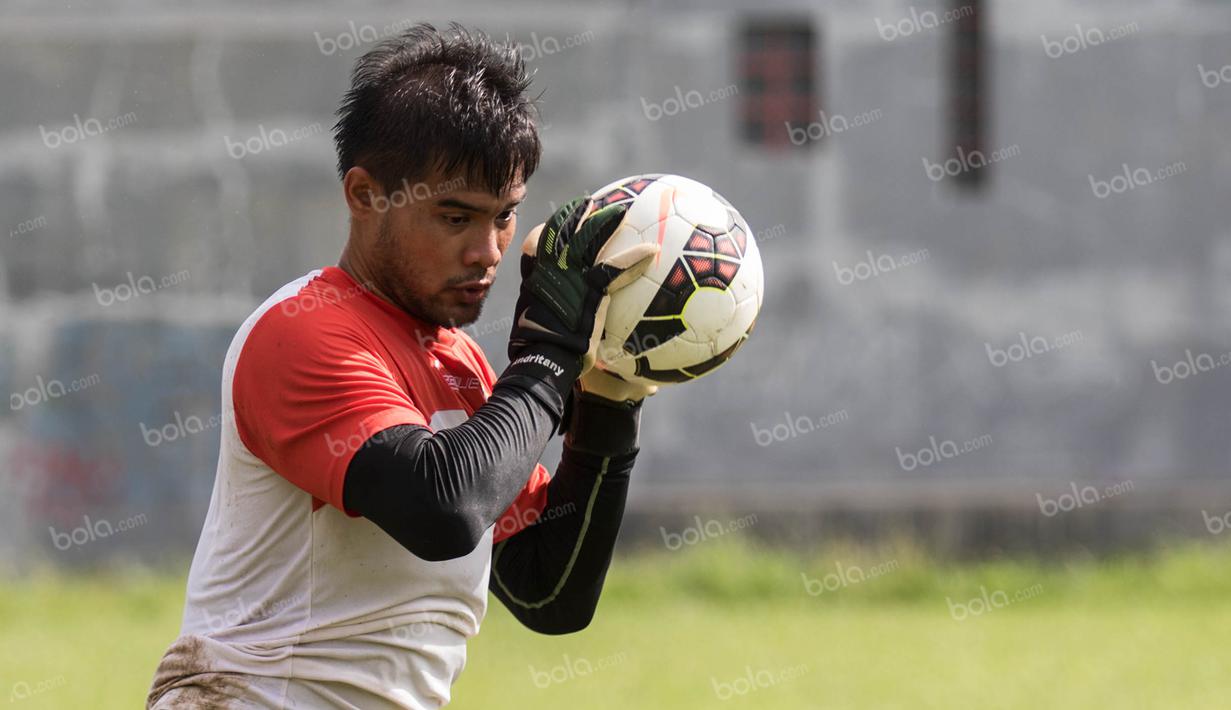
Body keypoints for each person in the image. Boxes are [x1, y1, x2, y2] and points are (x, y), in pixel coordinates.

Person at [147, 23, 658, 709]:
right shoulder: (303, 332)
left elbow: (549, 592)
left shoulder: (462, 365)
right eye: (455, 217)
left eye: (505, 216)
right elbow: (441, 508)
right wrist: (547, 359)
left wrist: (606, 403)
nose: (487, 250)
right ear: (363, 195)